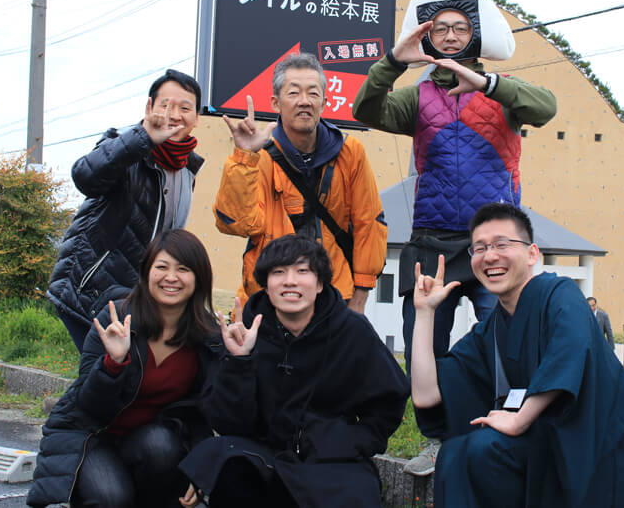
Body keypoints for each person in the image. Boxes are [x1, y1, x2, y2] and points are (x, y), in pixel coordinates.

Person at [353, 0, 556, 473]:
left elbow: (546, 107)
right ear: (426, 35)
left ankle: (508, 427)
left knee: (506, 339)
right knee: (426, 343)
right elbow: (365, 108)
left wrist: (488, 84)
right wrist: (394, 61)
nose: (447, 36)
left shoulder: (503, 93)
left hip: (495, 245)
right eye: (438, 28)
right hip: (432, 242)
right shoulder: (417, 98)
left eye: (458, 27)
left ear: (476, 34)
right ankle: (438, 439)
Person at [410, 203, 624, 507]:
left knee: (483, 449)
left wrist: (519, 420)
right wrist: (425, 313)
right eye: (479, 248)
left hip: (593, 446)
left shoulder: (559, 293)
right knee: (456, 454)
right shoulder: (490, 330)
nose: (490, 255)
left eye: (501, 244)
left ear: (532, 254)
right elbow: (427, 395)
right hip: (542, 447)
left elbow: (570, 349)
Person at [178, 234, 409, 508]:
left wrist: (348, 441)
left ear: (320, 283)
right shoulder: (247, 331)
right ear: (266, 286)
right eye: (279, 273)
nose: (290, 281)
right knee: (225, 463)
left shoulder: (352, 331)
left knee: (355, 493)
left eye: (302, 271)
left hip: (330, 457)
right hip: (263, 451)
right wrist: (239, 361)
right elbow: (228, 424)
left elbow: (388, 402)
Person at [29, 229, 223, 508]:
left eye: (183, 269)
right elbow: (88, 405)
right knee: (111, 498)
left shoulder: (206, 337)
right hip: (94, 437)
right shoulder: (116, 320)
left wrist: (202, 467)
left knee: (161, 446)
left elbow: (199, 415)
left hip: (150, 443)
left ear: (199, 278)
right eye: (162, 267)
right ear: (146, 272)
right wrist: (113, 364)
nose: (171, 277)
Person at [214, 52, 387, 315]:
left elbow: (369, 224)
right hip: (269, 294)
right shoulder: (258, 155)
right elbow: (238, 224)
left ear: (325, 102)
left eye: (313, 94)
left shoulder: (350, 151)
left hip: (334, 294)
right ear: (275, 102)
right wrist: (244, 158)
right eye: (293, 93)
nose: (304, 102)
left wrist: (360, 299)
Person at [48, 69, 205, 351]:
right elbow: (85, 176)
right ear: (149, 107)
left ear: (196, 118)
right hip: (90, 288)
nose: (175, 114)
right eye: (166, 105)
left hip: (135, 299)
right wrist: (141, 139)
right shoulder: (125, 146)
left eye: (185, 108)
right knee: (104, 379)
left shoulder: (187, 170)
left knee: (119, 381)